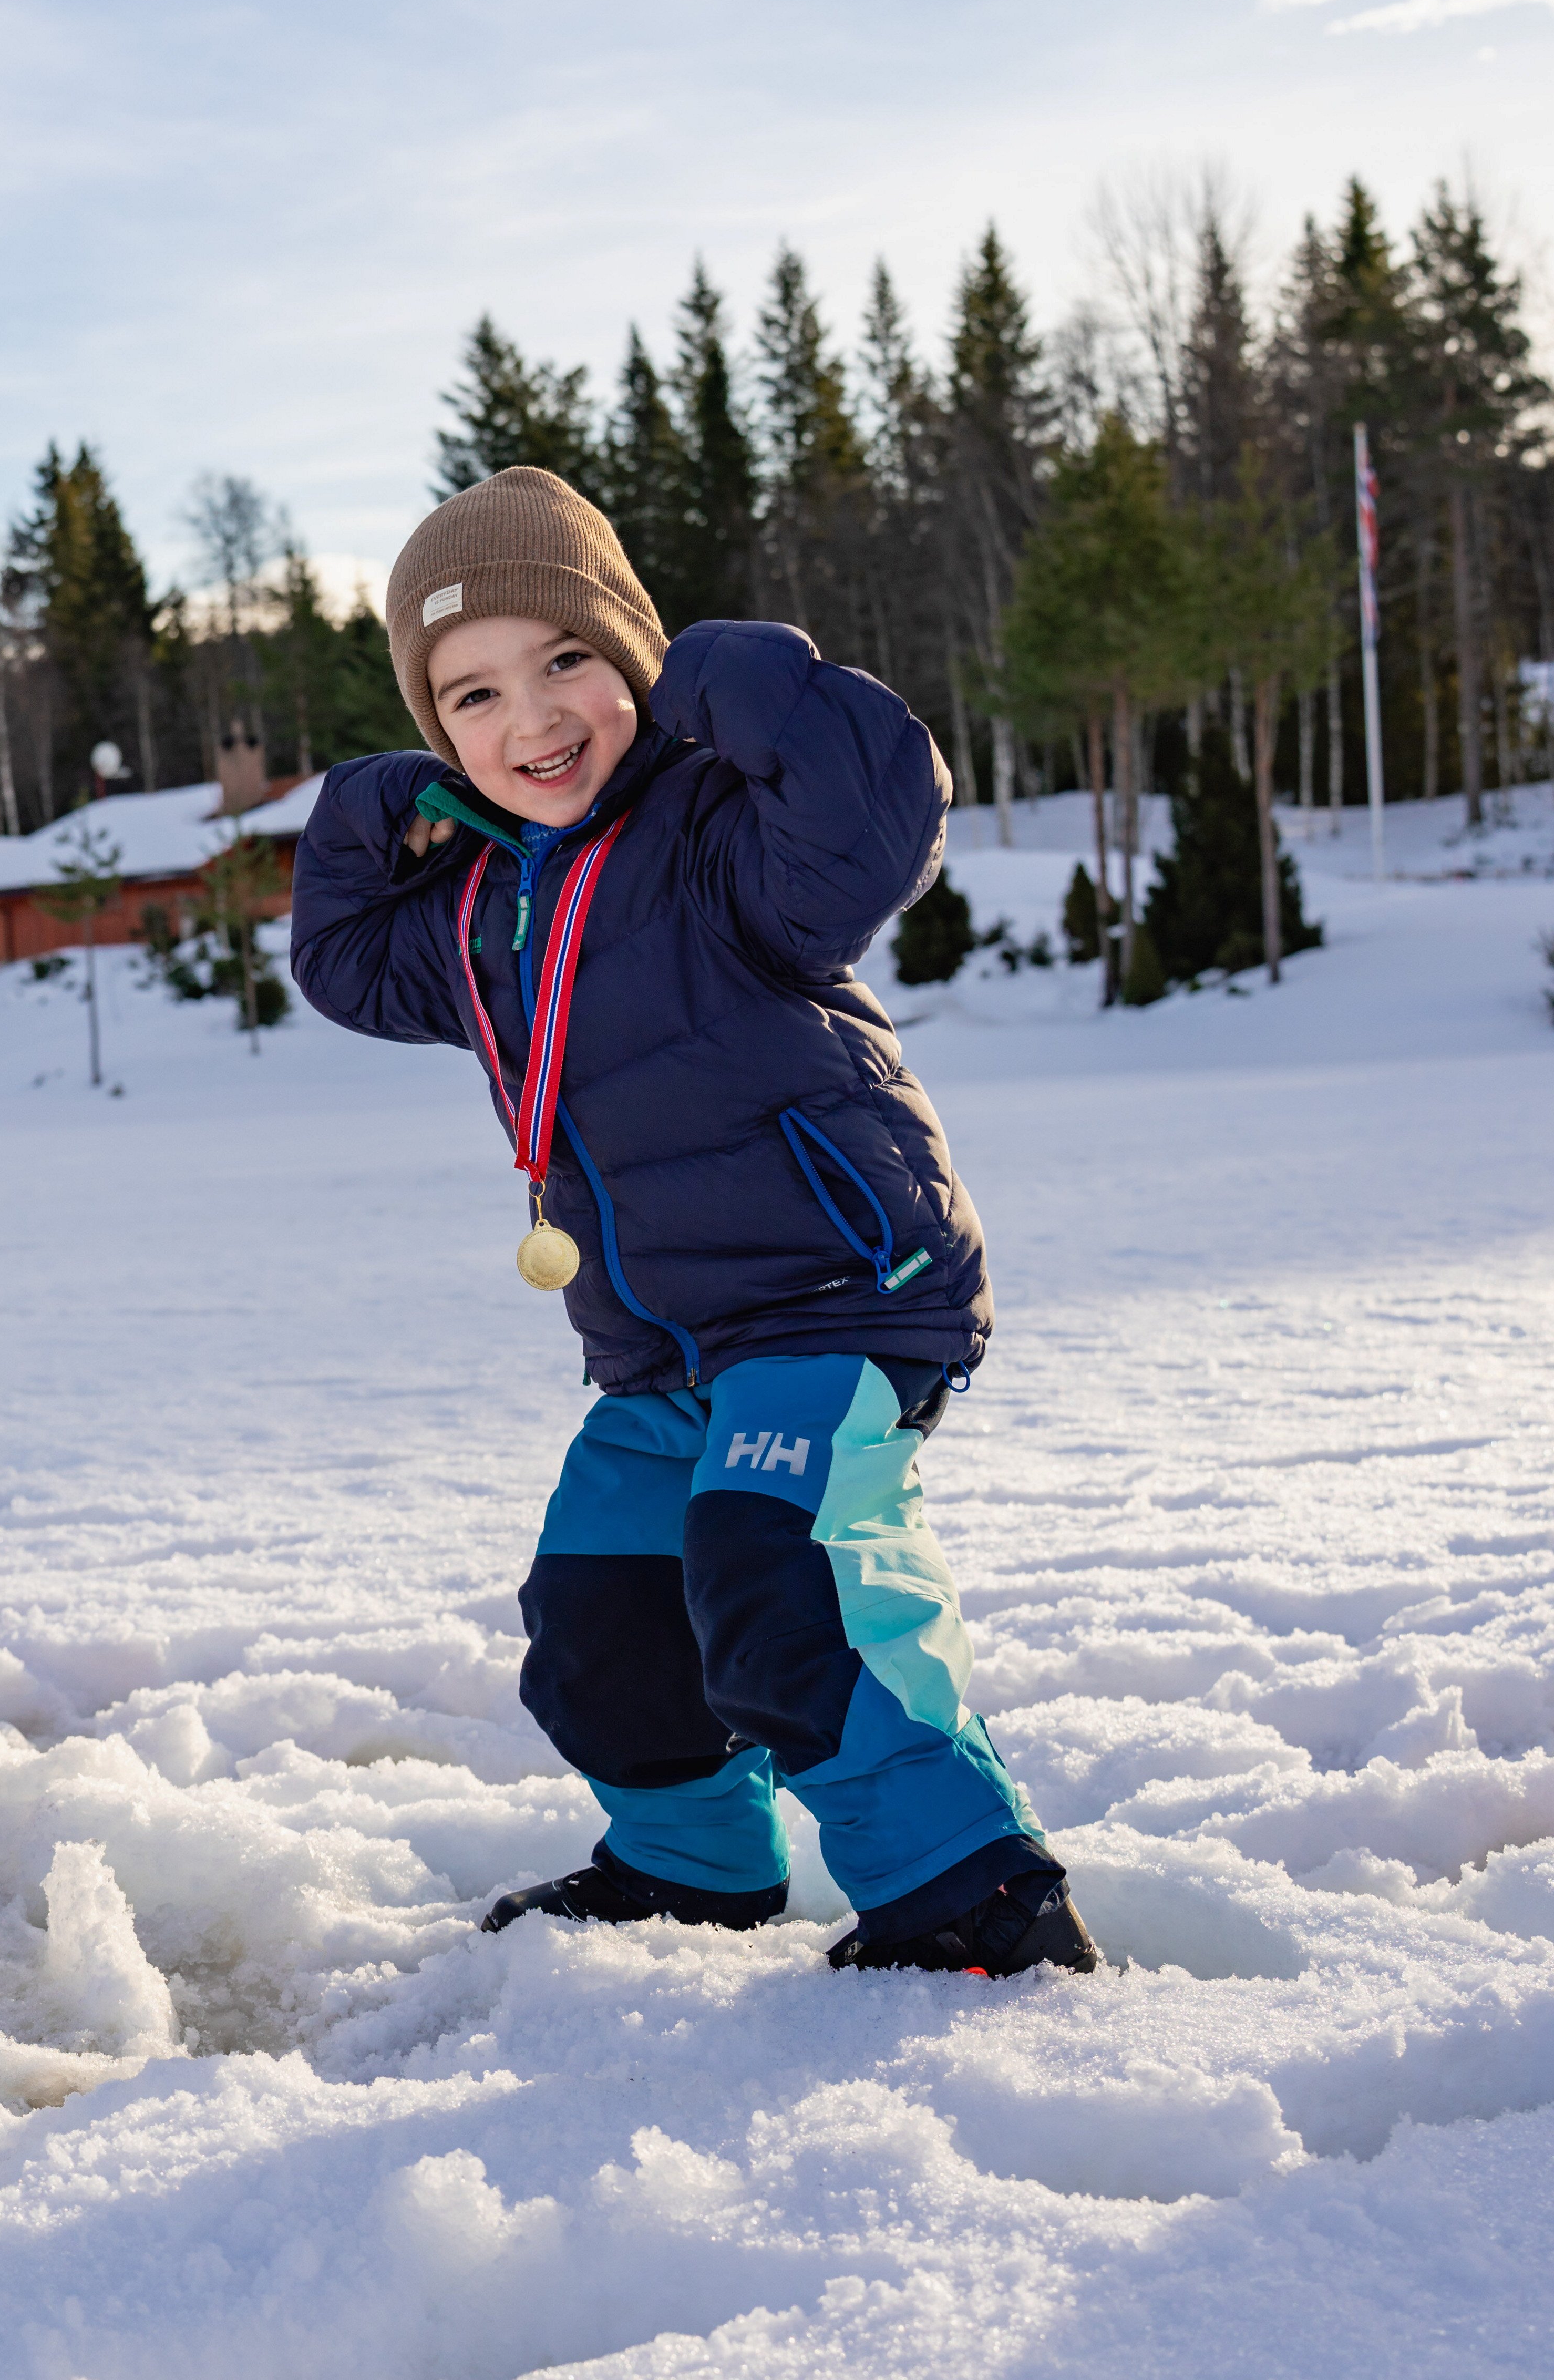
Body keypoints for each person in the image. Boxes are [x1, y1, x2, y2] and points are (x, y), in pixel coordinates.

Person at [287, 469, 1095, 1979]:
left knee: (777, 1567)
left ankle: (972, 1887)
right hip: (657, 1352)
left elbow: (879, 815)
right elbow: (342, 964)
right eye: (469, 695)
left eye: (567, 662)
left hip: (835, 1297)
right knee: (597, 1615)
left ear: (634, 661)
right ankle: (692, 1865)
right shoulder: (478, 913)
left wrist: (738, 680)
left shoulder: (727, 835)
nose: (529, 721)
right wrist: (361, 814)